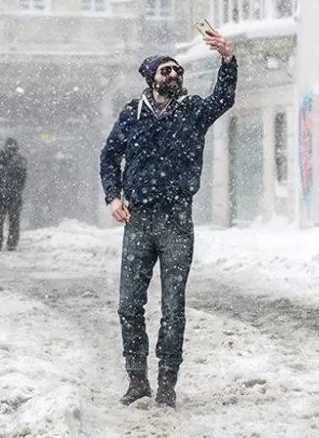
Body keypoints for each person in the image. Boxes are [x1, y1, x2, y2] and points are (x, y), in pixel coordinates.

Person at [100, 30, 237, 408]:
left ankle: (167, 383)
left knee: (173, 307)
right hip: (139, 220)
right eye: (166, 71)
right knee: (129, 305)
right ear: (151, 78)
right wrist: (113, 196)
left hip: (177, 220)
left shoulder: (192, 111)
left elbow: (224, 98)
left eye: (177, 71)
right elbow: (109, 156)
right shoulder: (132, 114)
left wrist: (227, 60)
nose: (174, 75)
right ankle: (137, 380)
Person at [0, 138, 27, 251]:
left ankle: (12, 243)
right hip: (0, 195)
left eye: (13, 149)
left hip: (13, 195)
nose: (11, 152)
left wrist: (17, 189)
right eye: (9, 149)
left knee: (14, 221)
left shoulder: (20, 160)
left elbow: (23, 178)